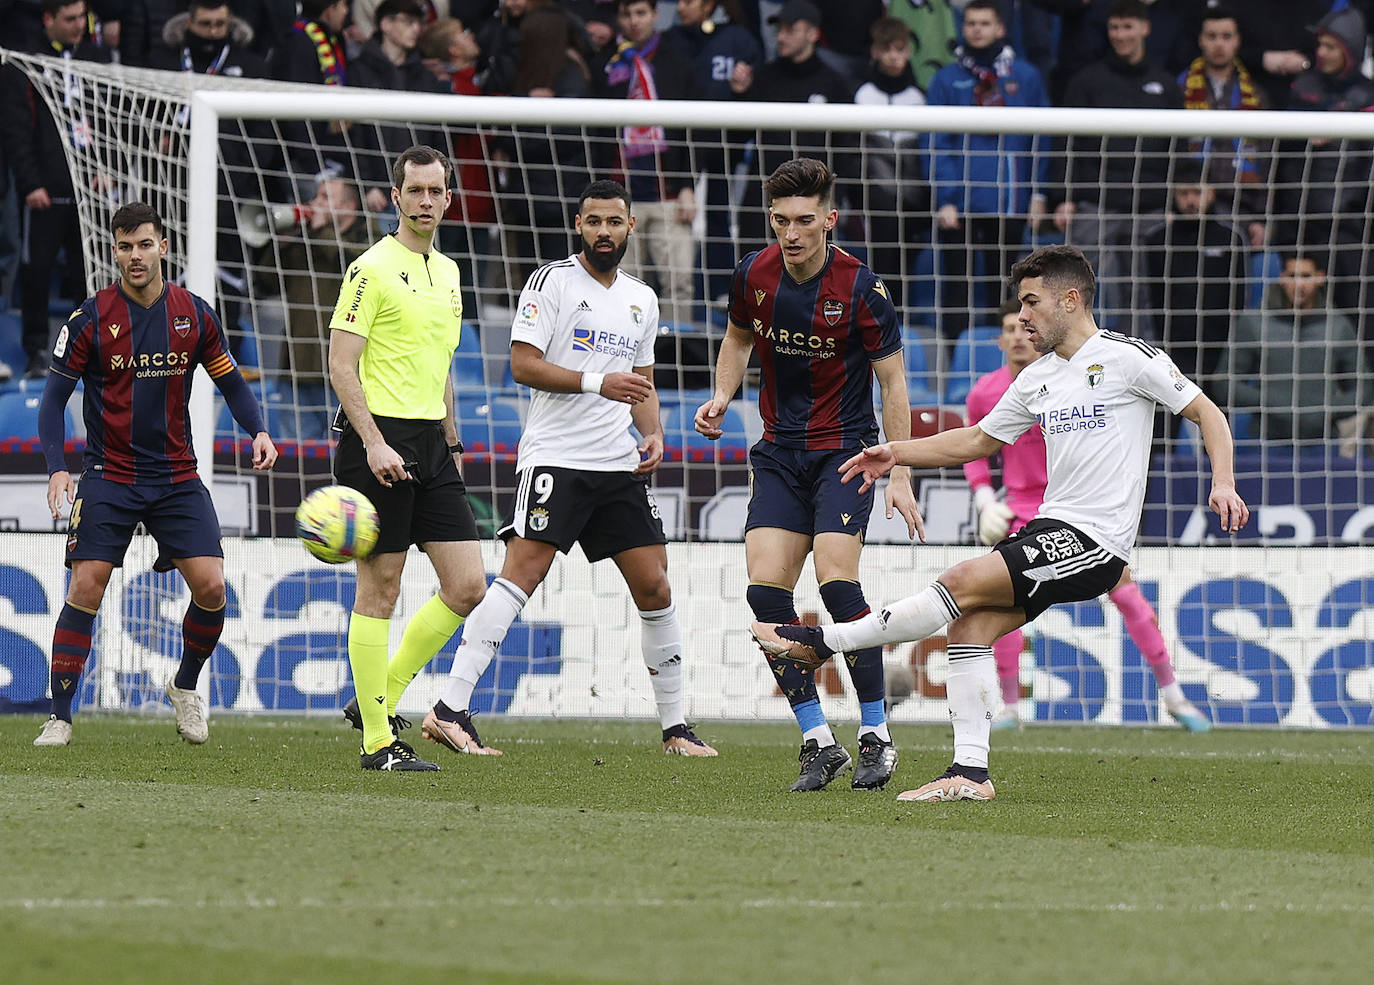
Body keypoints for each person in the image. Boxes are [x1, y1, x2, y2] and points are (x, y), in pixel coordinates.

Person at [753, 244, 1249, 802]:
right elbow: (977, 440)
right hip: (1048, 528)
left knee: (962, 581)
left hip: (1097, 541)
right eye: (1020, 304)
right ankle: (971, 773)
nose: (1024, 317)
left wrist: (1223, 481)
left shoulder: (1128, 358)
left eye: (1032, 303)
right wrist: (897, 452)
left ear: (1071, 298)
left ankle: (821, 643)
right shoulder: (1038, 378)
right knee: (970, 626)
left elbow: (1207, 411)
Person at [425, 179, 719, 758]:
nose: (604, 232)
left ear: (631, 226)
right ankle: (448, 708)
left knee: (656, 585)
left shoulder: (642, 298)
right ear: (577, 226)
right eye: (593, 222)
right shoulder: (552, 281)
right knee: (520, 576)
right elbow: (522, 365)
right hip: (557, 458)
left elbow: (642, 381)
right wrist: (595, 382)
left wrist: (652, 430)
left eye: (614, 222)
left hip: (617, 463)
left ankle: (676, 728)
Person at [694, 158, 918, 791]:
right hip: (778, 452)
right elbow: (737, 340)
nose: (790, 234)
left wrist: (897, 470)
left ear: (829, 219)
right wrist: (721, 396)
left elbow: (892, 380)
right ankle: (818, 740)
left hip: (844, 451)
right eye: (780, 220)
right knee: (765, 597)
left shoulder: (861, 289)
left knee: (837, 586)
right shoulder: (753, 274)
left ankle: (875, 732)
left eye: (803, 221)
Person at [32, 201, 279, 748]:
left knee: (213, 586)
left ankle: (185, 686)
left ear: (163, 247)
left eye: (145, 244)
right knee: (87, 585)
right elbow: (51, 403)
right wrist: (56, 469)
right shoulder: (90, 318)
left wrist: (257, 430)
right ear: (114, 250)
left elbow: (232, 382)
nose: (135, 256)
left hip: (175, 476)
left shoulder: (194, 313)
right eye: (125, 247)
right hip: (109, 474)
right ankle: (61, 715)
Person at [966, 299, 1211, 733]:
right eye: (1010, 329)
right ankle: (1008, 706)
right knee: (1002, 603)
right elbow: (976, 452)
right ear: (1000, 338)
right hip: (1020, 510)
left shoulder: (1072, 381)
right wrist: (985, 498)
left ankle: (1173, 694)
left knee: (1126, 593)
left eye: (1024, 327)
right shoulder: (986, 393)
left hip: (1080, 513)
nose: (1020, 335)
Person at [327, 145, 489, 772]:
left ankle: (377, 698)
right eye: (414, 191)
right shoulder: (369, 269)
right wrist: (372, 442)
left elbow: (441, 363)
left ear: (449, 198)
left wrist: (450, 437)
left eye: (436, 191)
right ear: (395, 197)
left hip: (430, 442)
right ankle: (377, 742)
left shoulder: (448, 271)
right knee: (381, 588)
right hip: (379, 440)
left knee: (468, 584)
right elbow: (341, 365)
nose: (426, 201)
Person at [1045, 0, 1182, 323]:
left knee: (1144, 298)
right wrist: (1062, 197)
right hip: (1095, 205)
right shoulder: (1085, 81)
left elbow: (1177, 149)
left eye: (1128, 26)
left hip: (1149, 208)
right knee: (1082, 293)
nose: (1121, 35)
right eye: (1115, 27)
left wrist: (1172, 200)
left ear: (1145, 29)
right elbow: (1067, 141)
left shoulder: (1166, 86)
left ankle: (1141, 371)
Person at [2, 0, 112, 381]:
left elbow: (111, 117)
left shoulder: (95, 57)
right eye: (70, 19)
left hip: (88, 191)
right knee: (37, 273)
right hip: (44, 190)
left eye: (82, 17)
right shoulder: (25, 61)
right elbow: (15, 126)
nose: (78, 25)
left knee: (90, 275)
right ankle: (35, 351)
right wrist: (30, 182)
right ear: (49, 19)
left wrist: (106, 170)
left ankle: (90, 354)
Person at [925, 0, 1048, 337]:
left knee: (1008, 289)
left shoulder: (1025, 77)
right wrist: (944, 197)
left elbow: (1041, 139)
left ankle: (1007, 363)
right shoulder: (946, 79)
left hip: (1008, 202)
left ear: (1000, 29)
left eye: (984, 23)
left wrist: (1038, 193)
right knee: (955, 290)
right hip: (959, 204)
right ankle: (952, 365)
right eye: (971, 23)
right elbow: (935, 142)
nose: (976, 29)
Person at [593, 0, 699, 325]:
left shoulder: (677, 62)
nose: (634, 21)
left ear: (655, 15)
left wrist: (687, 187)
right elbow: (597, 136)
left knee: (678, 281)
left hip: (667, 192)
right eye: (627, 14)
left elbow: (690, 131)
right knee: (623, 282)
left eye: (641, 13)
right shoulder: (608, 66)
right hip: (622, 196)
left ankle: (678, 356)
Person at [1225, 251, 1369, 445]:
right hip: (1266, 442)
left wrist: (1325, 409)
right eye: (1292, 276)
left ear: (1320, 277)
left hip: (1323, 443)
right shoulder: (1255, 322)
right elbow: (1224, 382)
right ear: (1281, 277)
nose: (1298, 285)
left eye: (1306, 276)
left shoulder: (1338, 325)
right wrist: (1271, 403)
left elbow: (1364, 388)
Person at [1138, 158, 1247, 399]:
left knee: (1218, 425)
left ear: (1211, 193)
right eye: (1184, 193)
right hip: (1170, 352)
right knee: (1164, 430)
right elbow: (1149, 299)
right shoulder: (1157, 241)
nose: (1190, 201)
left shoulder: (1230, 240)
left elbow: (1237, 300)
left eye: (1197, 192)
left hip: (1218, 353)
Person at [1175, 4, 1269, 247]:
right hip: (1188, 206)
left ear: (1237, 41)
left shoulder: (1256, 94)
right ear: (1200, 40)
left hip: (1242, 207)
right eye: (1212, 36)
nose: (1219, 44)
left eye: (1226, 36)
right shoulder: (1179, 88)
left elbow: (1266, 159)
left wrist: (1260, 217)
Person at [852, 15, 927, 316]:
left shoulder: (918, 98)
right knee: (879, 267)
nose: (894, 56)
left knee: (907, 269)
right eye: (887, 49)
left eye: (899, 49)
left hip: (913, 203)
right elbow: (853, 153)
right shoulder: (861, 96)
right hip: (875, 201)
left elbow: (924, 157)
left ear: (908, 51)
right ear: (875, 51)